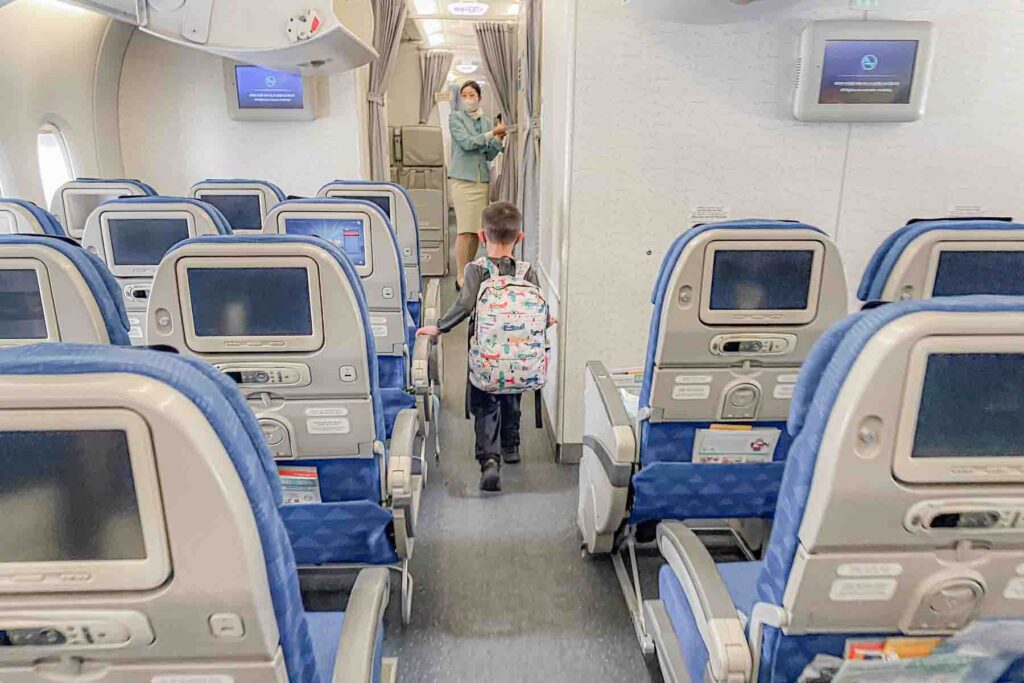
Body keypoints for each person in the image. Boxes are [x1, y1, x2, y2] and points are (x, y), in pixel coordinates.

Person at [417, 202, 551, 492]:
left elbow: (464, 305)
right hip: (518, 357)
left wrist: (439, 327)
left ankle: (489, 459)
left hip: (486, 357)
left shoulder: (476, 270)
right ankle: (511, 447)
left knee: (486, 402)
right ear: (520, 238)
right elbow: (540, 310)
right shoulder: (527, 271)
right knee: (512, 397)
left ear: (481, 235)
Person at [448, 80, 506, 290]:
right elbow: (467, 143)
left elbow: (488, 154)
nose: (468, 99)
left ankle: (469, 270)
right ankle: (460, 275)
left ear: (479, 98)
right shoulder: (455, 118)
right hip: (463, 181)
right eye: (464, 95)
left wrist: (498, 140)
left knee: (475, 231)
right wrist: (492, 133)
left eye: (472, 94)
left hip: (481, 181)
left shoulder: (485, 121)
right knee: (464, 230)